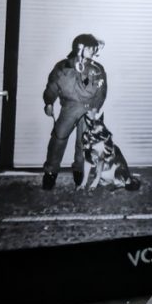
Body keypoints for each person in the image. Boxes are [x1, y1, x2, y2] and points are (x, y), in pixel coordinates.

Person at [41, 34, 107, 190]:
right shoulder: (63, 66)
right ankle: (50, 173)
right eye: (90, 48)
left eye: (94, 48)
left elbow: (102, 91)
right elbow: (52, 85)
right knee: (58, 140)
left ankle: (79, 171)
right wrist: (49, 102)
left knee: (83, 144)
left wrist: (95, 108)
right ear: (80, 48)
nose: (93, 51)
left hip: (88, 109)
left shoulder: (97, 69)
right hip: (69, 108)